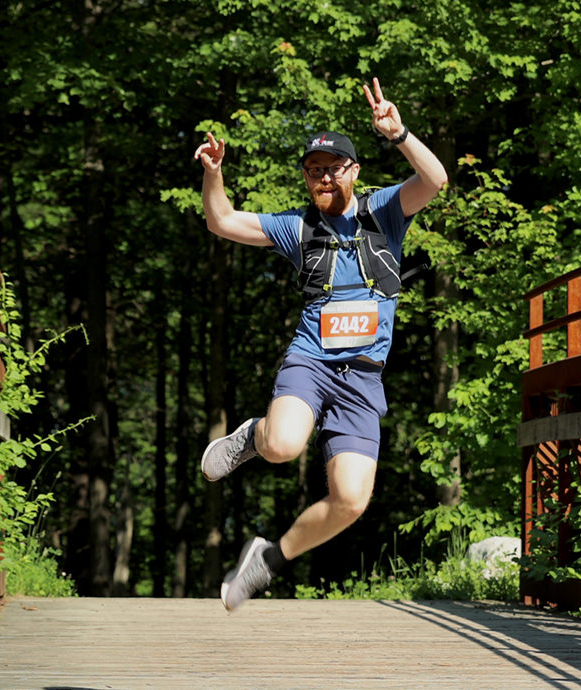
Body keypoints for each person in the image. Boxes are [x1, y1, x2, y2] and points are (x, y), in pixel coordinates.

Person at [193, 78, 448, 612]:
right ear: (307, 179)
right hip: (311, 362)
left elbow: (436, 179)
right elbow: (221, 221)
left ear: (354, 171)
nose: (325, 177)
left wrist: (398, 133)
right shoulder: (297, 228)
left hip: (363, 377)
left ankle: (268, 560)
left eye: (334, 168)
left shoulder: (386, 212)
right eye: (315, 170)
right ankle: (255, 436)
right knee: (283, 446)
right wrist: (214, 175)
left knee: (351, 500)